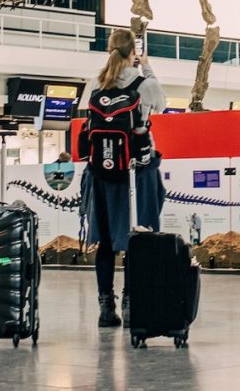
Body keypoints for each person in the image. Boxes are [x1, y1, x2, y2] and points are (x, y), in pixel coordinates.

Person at [80, 28, 166, 329]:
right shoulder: (145, 83)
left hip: (101, 174)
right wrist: (147, 65)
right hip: (136, 172)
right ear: (134, 52)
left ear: (109, 49)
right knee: (136, 240)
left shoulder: (94, 83)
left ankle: (106, 308)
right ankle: (131, 305)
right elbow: (162, 105)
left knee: (104, 242)